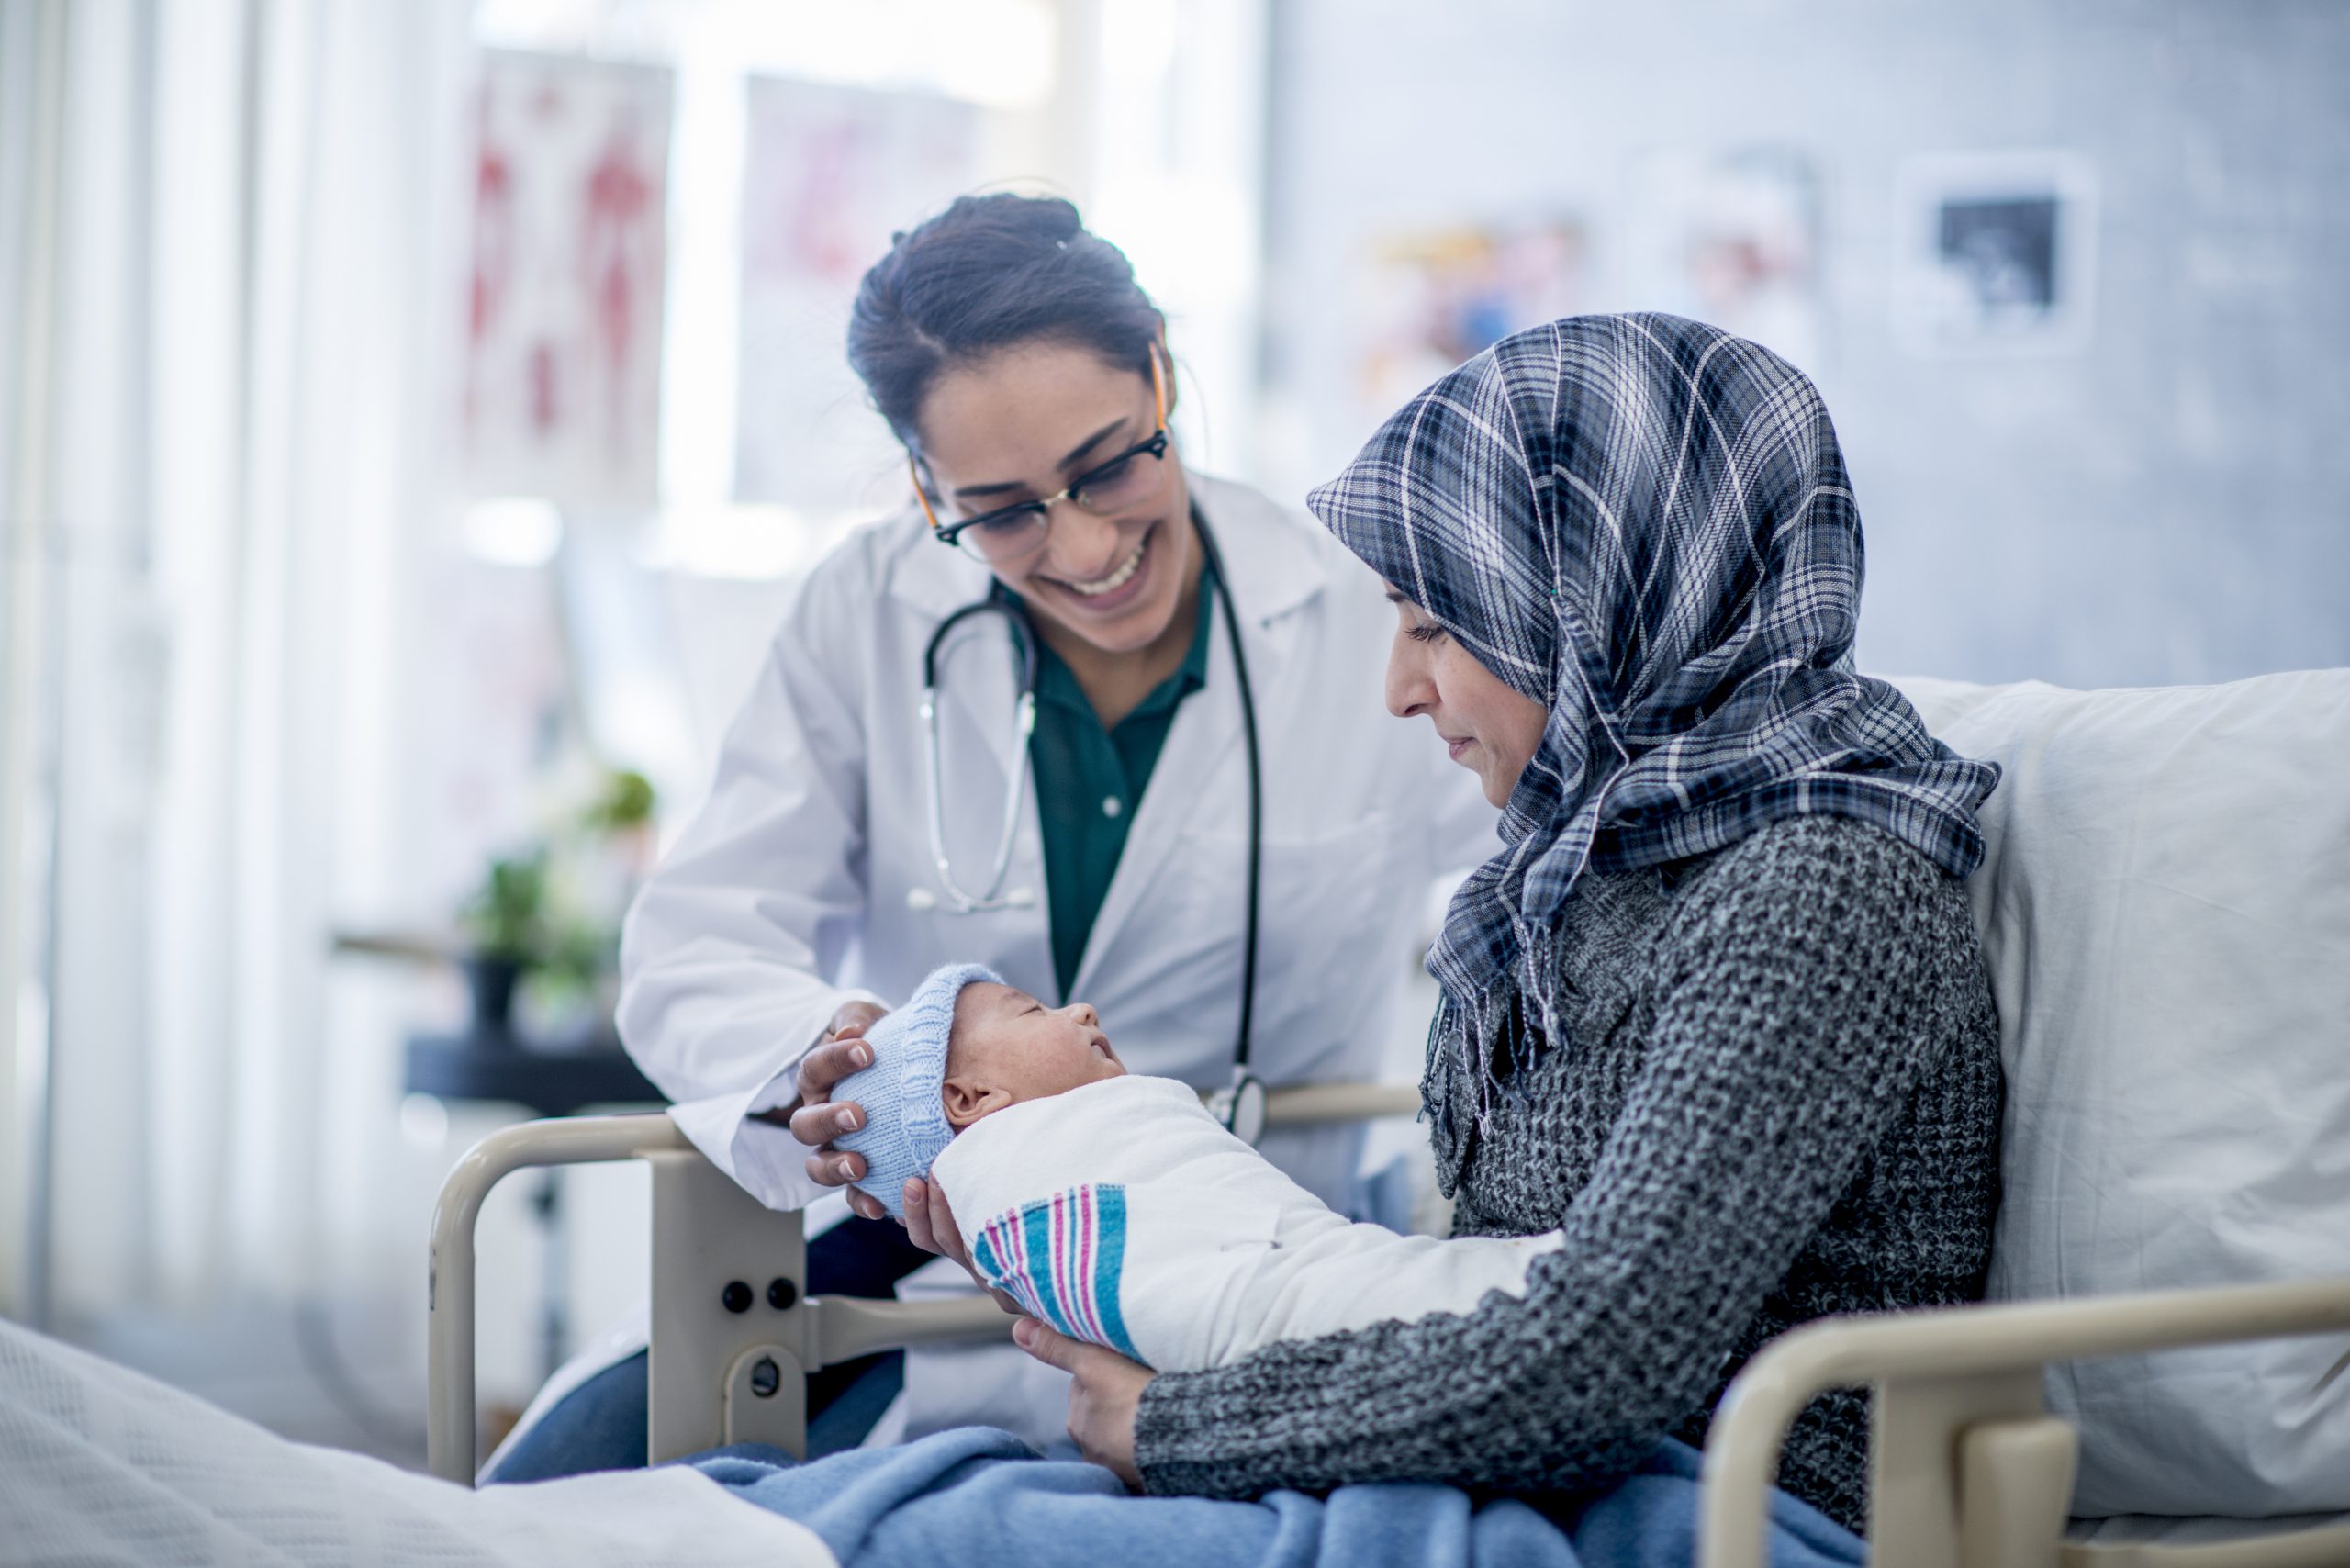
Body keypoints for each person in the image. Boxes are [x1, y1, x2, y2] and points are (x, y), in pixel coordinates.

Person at [909, 312, 2005, 1537]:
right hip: (1519, 1472)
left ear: (1592, 604)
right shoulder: (1564, 880)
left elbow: (1605, 1356)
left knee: (932, 1531)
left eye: (1434, 623)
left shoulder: (1815, 898)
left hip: (1716, 1502)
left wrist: (1175, 1425)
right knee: (918, 1496)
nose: (1397, 688)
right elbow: (1463, 1296)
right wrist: (1046, 1185)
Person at [486, 193, 1495, 1479]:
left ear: (1161, 377)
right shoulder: (867, 612)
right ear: (923, 488)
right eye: (1005, 509)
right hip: (923, 1270)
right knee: (532, 1503)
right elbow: (692, 948)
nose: (1085, 546)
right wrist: (832, 1062)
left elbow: (1553, 872)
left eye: (1113, 462)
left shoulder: (1361, 612)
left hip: (1243, 1268)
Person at [828, 963, 1561, 1374]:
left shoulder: (1107, 1128)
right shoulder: (1022, 1176)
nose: (1081, 1009)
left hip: (1308, 1256)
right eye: (1032, 1011)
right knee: (1438, 1301)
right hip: (1264, 1301)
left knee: (1413, 1287)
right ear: (972, 1099)